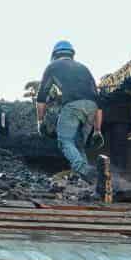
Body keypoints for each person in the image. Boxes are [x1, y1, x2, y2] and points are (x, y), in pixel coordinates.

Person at [35, 40, 102, 186]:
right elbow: (99, 102)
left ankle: (84, 169)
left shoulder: (52, 67)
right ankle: (88, 183)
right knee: (79, 145)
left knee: (65, 141)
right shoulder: (84, 68)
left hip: (72, 106)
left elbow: (41, 97)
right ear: (72, 54)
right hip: (92, 107)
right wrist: (97, 129)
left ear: (54, 55)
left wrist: (40, 121)